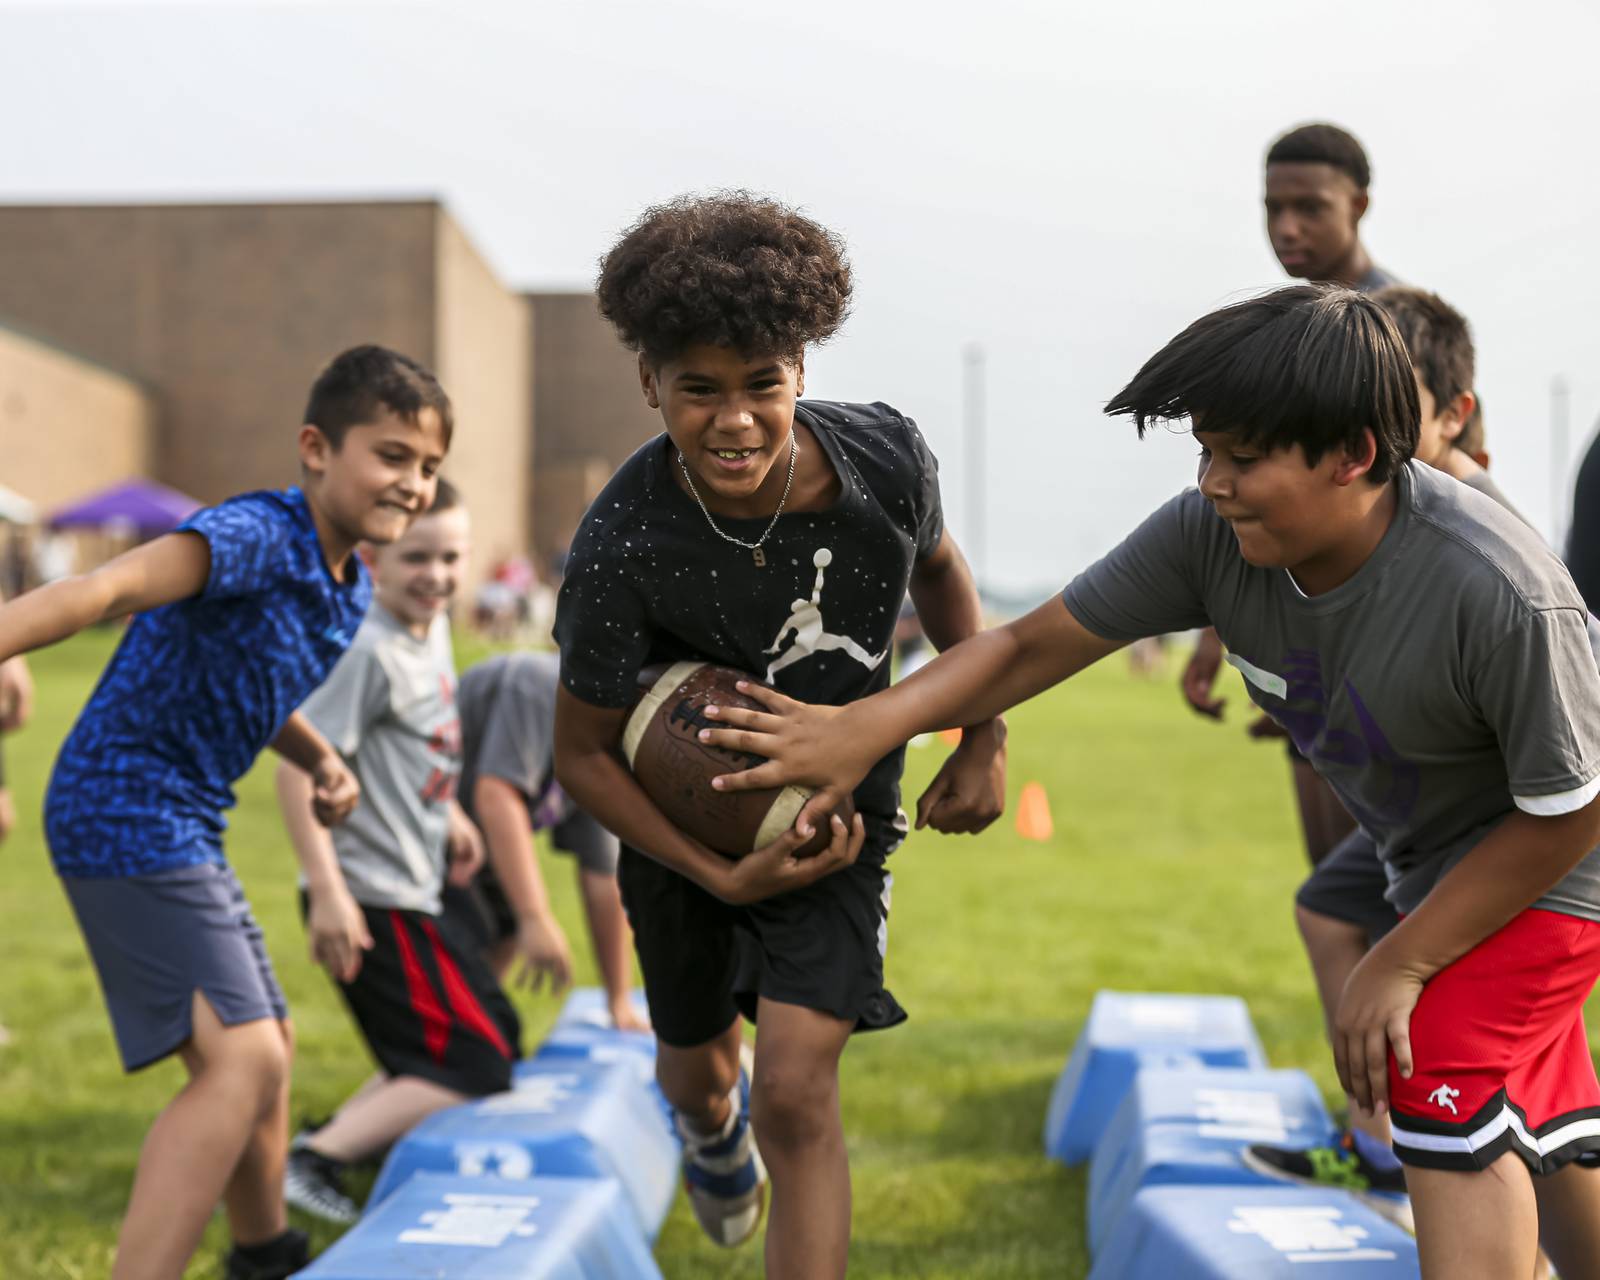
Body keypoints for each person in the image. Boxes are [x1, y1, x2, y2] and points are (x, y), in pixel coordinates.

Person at [702, 286, 1600, 1280]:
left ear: (1351, 453)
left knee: (1435, 1061)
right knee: (1544, 1116)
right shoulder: (1209, 536)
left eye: (1242, 457)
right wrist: (859, 729)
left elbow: (1571, 807)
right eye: (1203, 451)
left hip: (1557, 859)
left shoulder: (1499, 588)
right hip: (1431, 857)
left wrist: (1399, 959)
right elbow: (1026, 643)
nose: (1212, 481)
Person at [551, 192, 1005, 1279]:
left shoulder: (885, 462)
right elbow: (580, 755)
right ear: (648, 382)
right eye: (697, 388)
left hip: (839, 827)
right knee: (698, 1080)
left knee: (797, 1089)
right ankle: (712, 1141)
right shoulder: (620, 543)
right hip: (680, 833)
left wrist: (980, 737)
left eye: (761, 383)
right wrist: (719, 869)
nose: (734, 418)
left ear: (802, 364)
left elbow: (941, 574)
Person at [0, 343, 452, 1280]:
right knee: (240, 1061)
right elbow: (106, 589)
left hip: (184, 820)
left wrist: (322, 756)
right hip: (122, 803)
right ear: (317, 448)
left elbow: (258, 681)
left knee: (272, 1051)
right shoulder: (259, 534)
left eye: (429, 466)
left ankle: (263, 1255)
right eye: (393, 454)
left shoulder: (347, 586)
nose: (412, 482)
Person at [1242, 287, 1538, 1219]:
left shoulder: (1477, 536)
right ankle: (1377, 1142)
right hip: (1433, 815)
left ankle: (1407, 1155)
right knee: (1331, 910)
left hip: (1516, 827)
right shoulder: (1379, 517)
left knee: (1492, 1078)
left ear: (1454, 416)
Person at [276, 477, 522, 1225]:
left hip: (417, 881)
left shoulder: (432, 625)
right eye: (417, 558)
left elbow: (416, 743)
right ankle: (313, 1161)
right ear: (374, 559)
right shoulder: (365, 650)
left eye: (452, 558)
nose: (438, 576)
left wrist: (446, 813)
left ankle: (346, 1136)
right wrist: (328, 890)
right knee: (477, 1065)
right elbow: (297, 769)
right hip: (370, 896)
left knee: (492, 1034)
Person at [1182, 122, 1403, 867]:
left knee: (1379, 902)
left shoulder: (1395, 328)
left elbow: (1442, 496)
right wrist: (1226, 636)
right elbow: (1263, 501)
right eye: (1273, 207)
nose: (1287, 227)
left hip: (1389, 669)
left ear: (1360, 204)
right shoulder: (1287, 330)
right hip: (1311, 668)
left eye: (1310, 206)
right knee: (1332, 891)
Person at [441, 649, 646, 1032]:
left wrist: (618, 1001)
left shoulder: (608, 747)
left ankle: (464, 1034)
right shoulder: (541, 683)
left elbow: (603, 879)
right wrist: (534, 916)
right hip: (420, 839)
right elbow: (496, 795)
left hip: (472, 850)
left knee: (478, 1027)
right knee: (460, 1037)